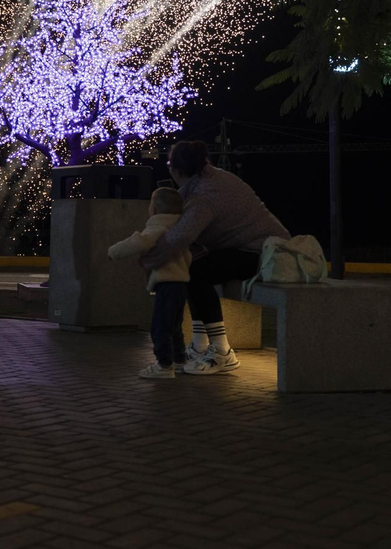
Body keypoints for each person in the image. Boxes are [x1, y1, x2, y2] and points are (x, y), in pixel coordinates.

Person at [141, 140, 289, 375]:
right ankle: (200, 346)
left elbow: (179, 237)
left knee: (194, 271)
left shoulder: (205, 196)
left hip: (263, 254)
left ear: (176, 170)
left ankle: (222, 351)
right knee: (192, 267)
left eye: (169, 163)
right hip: (259, 248)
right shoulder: (208, 178)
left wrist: (147, 259)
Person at [108, 187, 193, 379]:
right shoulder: (181, 227)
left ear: (154, 209)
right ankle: (179, 361)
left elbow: (139, 243)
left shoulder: (158, 226)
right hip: (181, 283)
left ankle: (164, 365)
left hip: (166, 283)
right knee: (175, 325)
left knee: (159, 326)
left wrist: (113, 251)